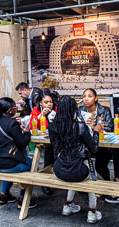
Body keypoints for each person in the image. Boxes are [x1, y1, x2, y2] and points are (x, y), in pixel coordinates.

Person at [48, 96, 101, 224]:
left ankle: (68, 205)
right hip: (78, 171)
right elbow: (94, 149)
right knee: (90, 176)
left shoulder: (53, 126)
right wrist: (96, 131)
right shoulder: (80, 126)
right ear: (74, 110)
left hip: (59, 170)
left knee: (74, 166)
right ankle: (92, 213)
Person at [0, 97, 37, 209]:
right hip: (8, 164)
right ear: (10, 111)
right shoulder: (11, 123)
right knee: (32, 164)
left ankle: (4, 195)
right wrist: (27, 132)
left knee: (9, 161)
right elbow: (23, 142)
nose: (17, 109)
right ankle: (24, 199)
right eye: (15, 107)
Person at [78, 88, 114, 181]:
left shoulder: (105, 110)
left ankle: (107, 183)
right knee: (78, 161)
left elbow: (110, 128)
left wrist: (94, 127)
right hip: (85, 143)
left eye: (90, 96)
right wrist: (86, 126)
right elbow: (77, 128)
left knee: (100, 165)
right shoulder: (80, 110)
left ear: (96, 98)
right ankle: (82, 183)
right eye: (84, 96)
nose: (86, 99)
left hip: (101, 144)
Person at [29, 88, 58, 195]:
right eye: (46, 102)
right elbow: (32, 126)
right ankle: (45, 184)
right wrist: (41, 116)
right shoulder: (36, 110)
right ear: (41, 102)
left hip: (56, 140)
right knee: (48, 158)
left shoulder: (56, 109)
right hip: (44, 141)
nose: (49, 104)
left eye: (51, 102)